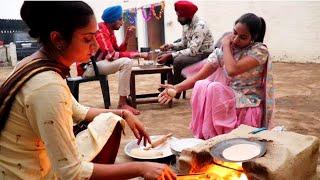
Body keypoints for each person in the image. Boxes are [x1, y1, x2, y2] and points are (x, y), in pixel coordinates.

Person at [0, 2, 176, 179]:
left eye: (95, 37)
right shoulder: (48, 86)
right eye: (87, 39)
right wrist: (140, 168)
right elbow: (70, 171)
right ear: (58, 39)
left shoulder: (31, 63)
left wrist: (124, 113)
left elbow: (77, 111)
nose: (95, 46)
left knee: (111, 119)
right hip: (30, 175)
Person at [159, 13, 273, 140]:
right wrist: (177, 88)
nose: (235, 40)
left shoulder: (259, 51)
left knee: (214, 88)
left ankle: (221, 136)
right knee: (202, 85)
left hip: (247, 101)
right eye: (234, 33)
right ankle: (210, 137)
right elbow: (199, 76)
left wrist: (225, 46)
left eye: (243, 37)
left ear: (253, 37)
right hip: (229, 99)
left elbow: (232, 70)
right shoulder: (223, 52)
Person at [77, 5, 150, 115]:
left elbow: (117, 51)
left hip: (98, 64)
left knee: (125, 61)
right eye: (120, 19)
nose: (122, 22)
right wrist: (138, 54)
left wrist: (126, 38)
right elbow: (112, 55)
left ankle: (126, 99)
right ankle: (122, 103)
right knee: (126, 62)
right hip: (89, 67)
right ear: (112, 20)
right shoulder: (100, 31)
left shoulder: (109, 31)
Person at [157, 0, 214, 91]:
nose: (178, 19)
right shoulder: (186, 24)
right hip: (194, 52)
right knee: (161, 54)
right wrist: (170, 46)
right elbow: (184, 44)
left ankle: (175, 90)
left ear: (189, 15)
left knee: (178, 60)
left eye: (180, 16)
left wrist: (170, 55)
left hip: (204, 54)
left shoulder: (200, 26)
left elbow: (192, 51)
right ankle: (168, 84)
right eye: (177, 15)